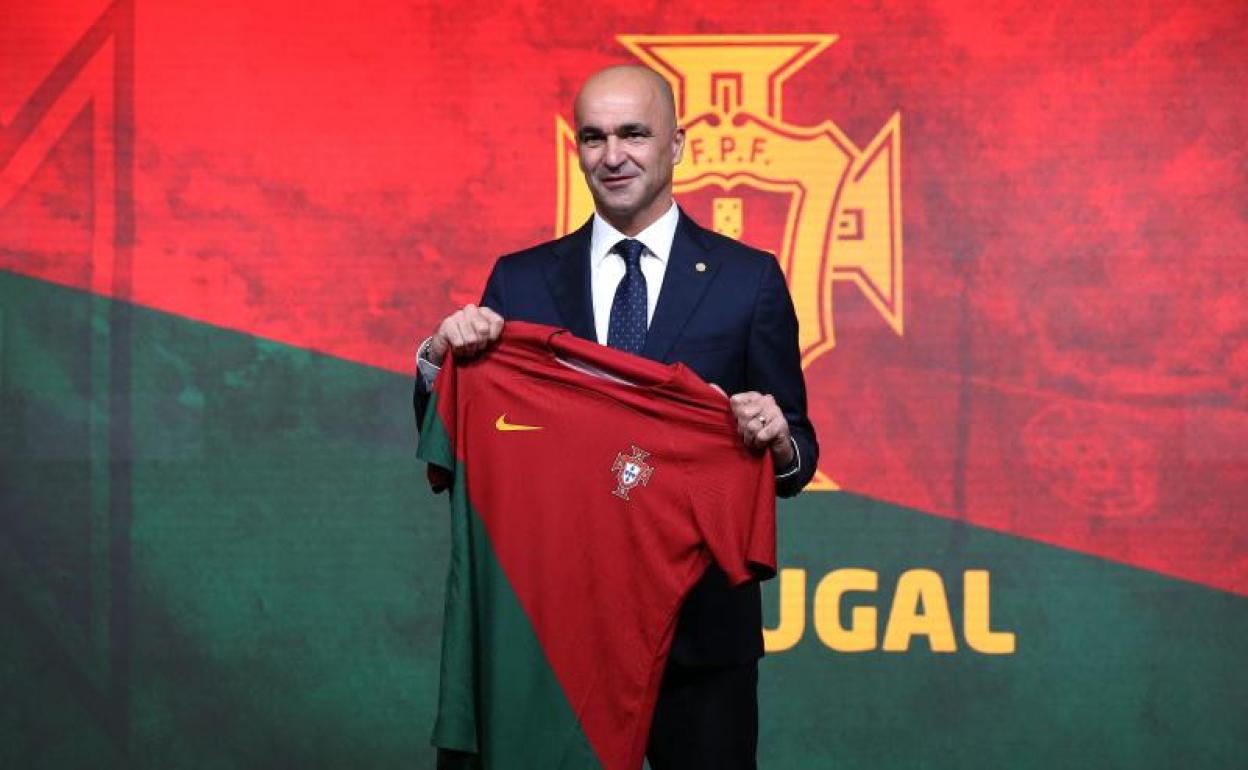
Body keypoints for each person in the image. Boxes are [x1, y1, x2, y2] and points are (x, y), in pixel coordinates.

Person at [414, 64, 817, 770]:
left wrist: (777, 438)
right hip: (557, 636)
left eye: (634, 133)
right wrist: (437, 360)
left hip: (699, 633)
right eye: (593, 137)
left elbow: (799, 456)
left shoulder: (748, 280)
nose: (613, 155)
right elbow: (478, 431)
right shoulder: (522, 278)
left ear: (678, 146)